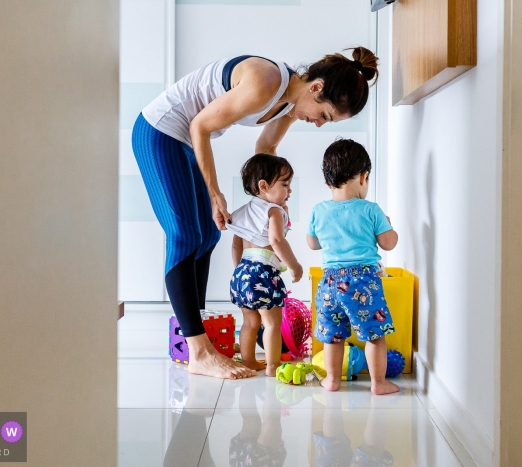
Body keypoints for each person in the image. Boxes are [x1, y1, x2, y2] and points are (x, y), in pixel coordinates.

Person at [131, 47, 379, 379]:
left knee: (206, 236)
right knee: (185, 234)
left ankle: (199, 336)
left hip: (184, 139)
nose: (319, 124)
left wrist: (274, 202)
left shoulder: (290, 104)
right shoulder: (267, 81)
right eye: (325, 116)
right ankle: (199, 350)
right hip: (160, 131)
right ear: (316, 89)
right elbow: (201, 126)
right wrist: (216, 193)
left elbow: (266, 150)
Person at [307, 139, 399, 395]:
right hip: (363, 283)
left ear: (328, 182)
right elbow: (388, 244)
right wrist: (387, 225)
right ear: (363, 177)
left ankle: (333, 380)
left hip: (328, 283)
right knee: (374, 335)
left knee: (333, 337)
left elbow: (312, 244)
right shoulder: (371, 210)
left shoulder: (319, 210)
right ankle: (378, 383)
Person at [227, 154, 302, 376]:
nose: (289, 191)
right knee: (271, 324)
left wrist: (240, 272)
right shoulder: (273, 211)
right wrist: (294, 266)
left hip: (242, 272)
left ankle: (248, 361)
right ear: (264, 186)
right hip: (263, 273)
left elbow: (235, 247)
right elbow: (277, 241)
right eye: (285, 184)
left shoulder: (242, 212)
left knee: (250, 322)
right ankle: (272, 366)